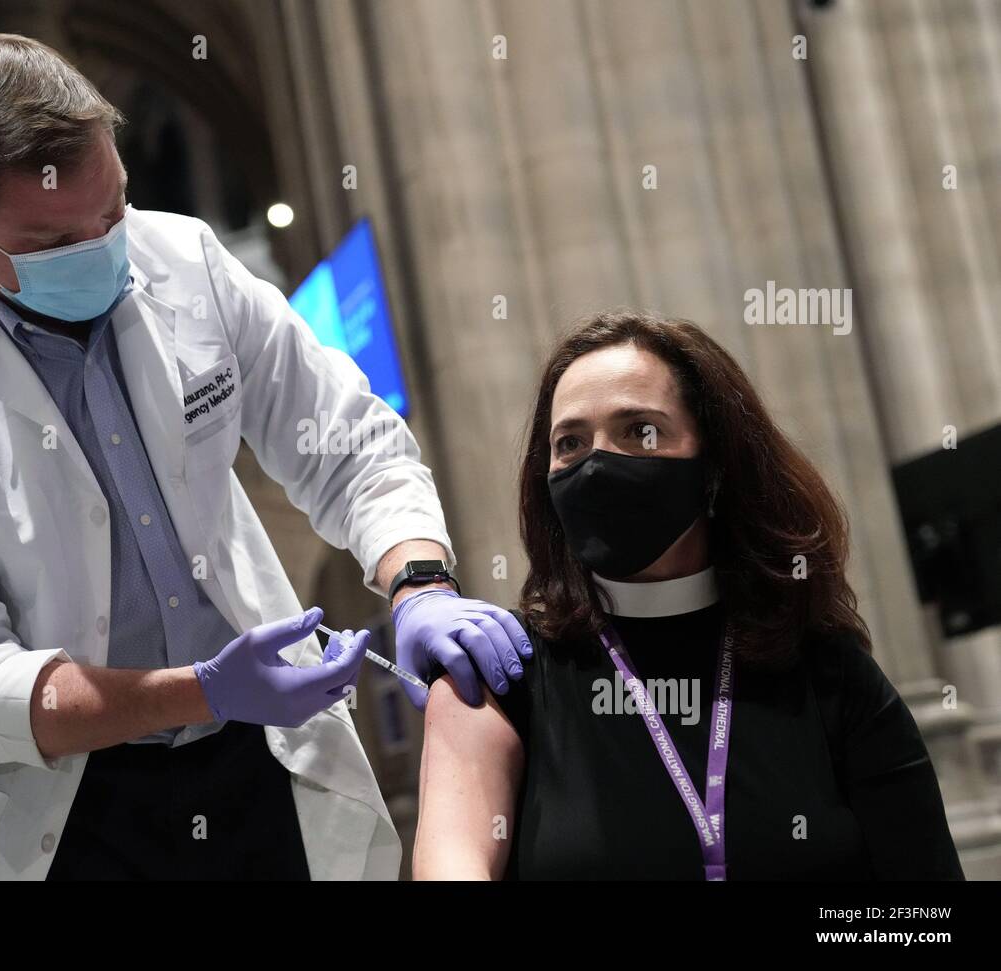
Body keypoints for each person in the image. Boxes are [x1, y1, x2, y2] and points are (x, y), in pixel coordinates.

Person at [0, 32, 529, 881]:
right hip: (44, 804)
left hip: (246, 760)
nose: (104, 251)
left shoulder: (182, 261)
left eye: (112, 213)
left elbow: (346, 438)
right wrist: (205, 688)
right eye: (52, 242)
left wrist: (417, 585)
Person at [413, 310, 964, 880]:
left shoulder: (827, 672)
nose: (598, 464)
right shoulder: (498, 673)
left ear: (715, 468)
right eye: (571, 442)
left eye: (639, 431)